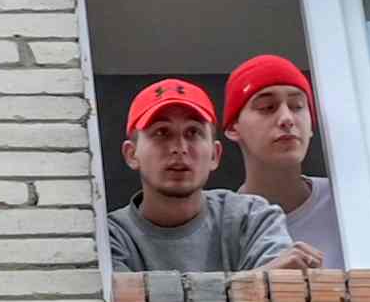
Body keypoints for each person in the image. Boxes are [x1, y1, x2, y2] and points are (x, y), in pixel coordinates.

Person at [103, 80, 301, 278]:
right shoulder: (110, 236)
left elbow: (279, 294)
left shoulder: (250, 217)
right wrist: (253, 279)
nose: (179, 148)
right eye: (162, 132)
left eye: (193, 132)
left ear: (215, 155)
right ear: (131, 154)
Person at [220, 52, 342, 266]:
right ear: (232, 128)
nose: (286, 119)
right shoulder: (221, 225)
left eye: (297, 106)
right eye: (267, 108)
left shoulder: (349, 203)